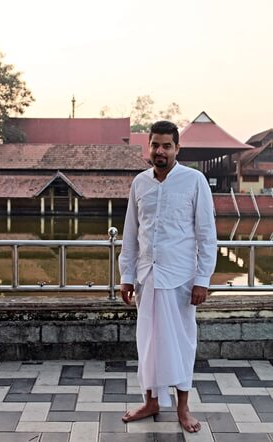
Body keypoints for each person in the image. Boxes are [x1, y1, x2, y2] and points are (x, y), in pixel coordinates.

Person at [118, 120, 216, 433]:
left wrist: (202, 279)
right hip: (147, 278)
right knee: (147, 343)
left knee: (181, 343)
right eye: (155, 145)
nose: (160, 151)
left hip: (181, 280)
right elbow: (131, 234)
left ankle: (183, 408)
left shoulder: (194, 181)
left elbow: (206, 235)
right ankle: (151, 401)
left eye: (167, 146)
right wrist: (127, 276)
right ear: (149, 147)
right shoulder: (140, 184)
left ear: (177, 149)